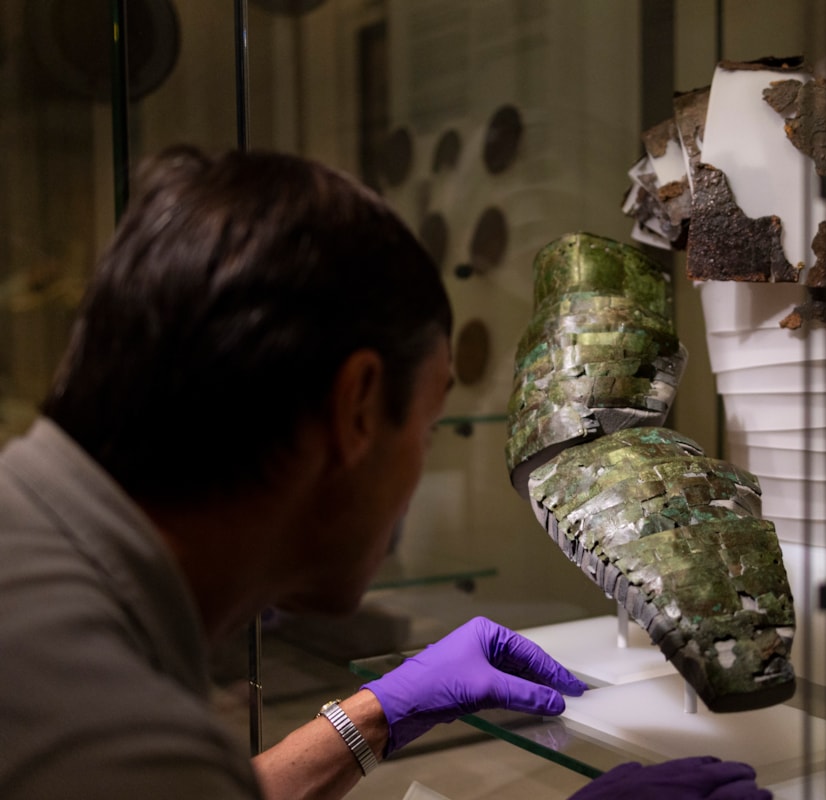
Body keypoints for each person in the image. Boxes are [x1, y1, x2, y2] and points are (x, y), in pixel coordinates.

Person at [0, 145, 769, 799]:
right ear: (358, 408)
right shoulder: (98, 727)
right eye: (428, 427)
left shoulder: (40, 570)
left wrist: (368, 716)